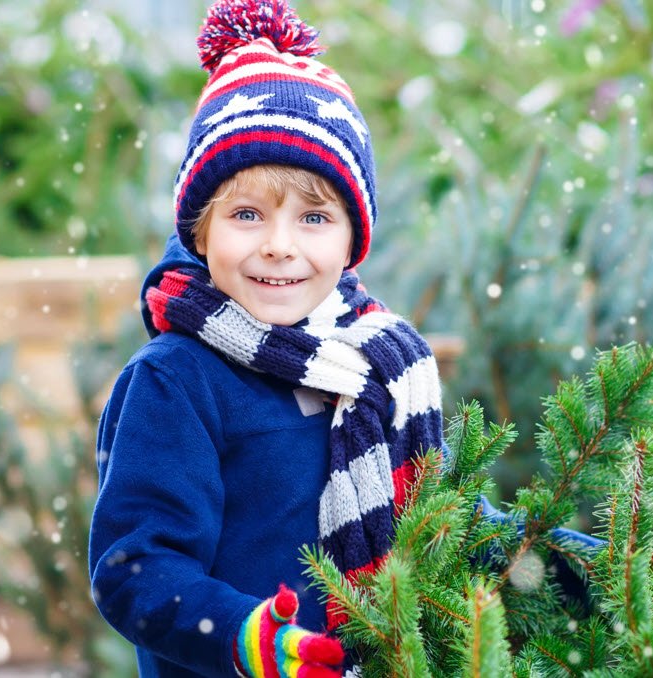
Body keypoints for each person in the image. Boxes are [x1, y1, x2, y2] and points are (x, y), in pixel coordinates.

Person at [87, 1, 443, 676]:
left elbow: (435, 519)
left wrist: (554, 554)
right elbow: (135, 569)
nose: (279, 247)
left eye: (313, 217)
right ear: (199, 231)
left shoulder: (375, 367)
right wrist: (246, 637)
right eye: (246, 214)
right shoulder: (176, 380)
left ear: (351, 240)